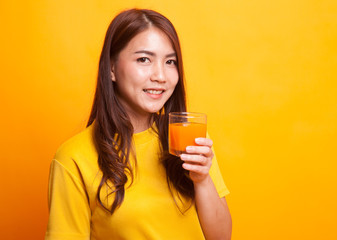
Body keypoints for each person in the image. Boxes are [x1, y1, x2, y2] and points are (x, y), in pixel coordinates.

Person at [45, 8, 232, 240]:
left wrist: (202, 180)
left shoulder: (189, 139)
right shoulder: (73, 158)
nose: (161, 76)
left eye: (170, 61)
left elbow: (221, 237)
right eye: (144, 59)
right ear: (112, 68)